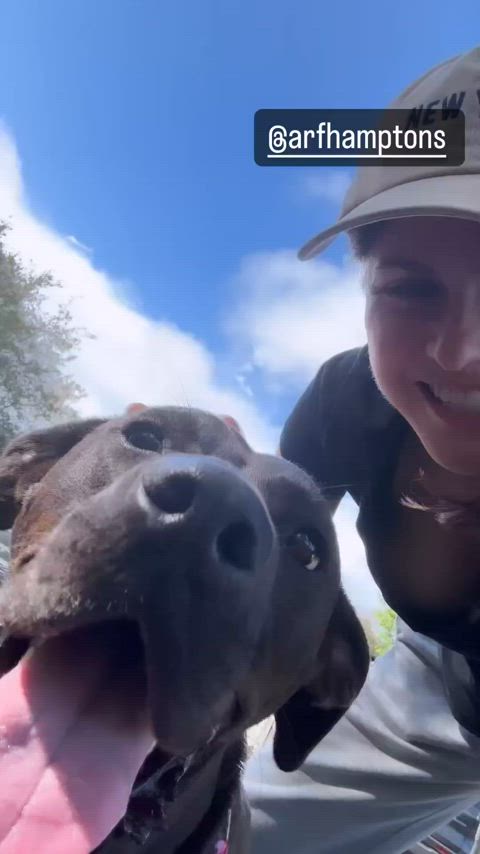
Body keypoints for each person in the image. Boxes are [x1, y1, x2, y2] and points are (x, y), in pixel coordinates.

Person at [245, 45, 480, 853]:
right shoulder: (342, 406)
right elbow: (261, 589)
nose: (463, 353)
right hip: (436, 682)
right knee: (239, 830)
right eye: (412, 288)